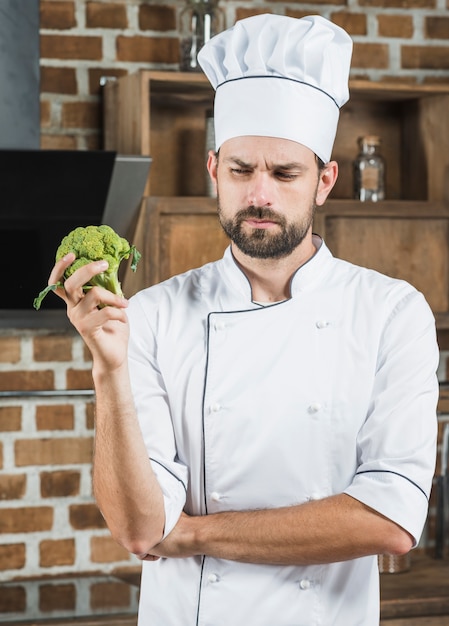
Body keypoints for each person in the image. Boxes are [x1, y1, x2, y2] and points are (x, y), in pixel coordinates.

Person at [49, 14, 439, 626]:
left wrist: (196, 537)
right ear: (213, 170)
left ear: (325, 181)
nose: (260, 195)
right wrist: (108, 370)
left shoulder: (391, 313)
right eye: (240, 170)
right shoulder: (149, 315)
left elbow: (388, 522)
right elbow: (139, 527)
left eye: (285, 174)